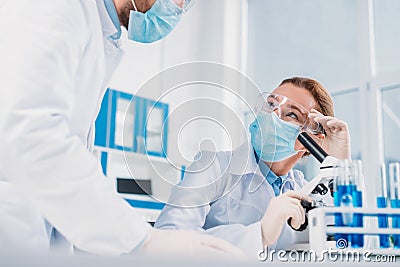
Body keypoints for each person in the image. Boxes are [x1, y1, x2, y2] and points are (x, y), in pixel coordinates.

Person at [0, 0, 245, 257]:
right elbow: (28, 132)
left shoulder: (97, 30)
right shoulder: (59, 7)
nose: (178, 10)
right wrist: (140, 240)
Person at [155, 77, 352, 256]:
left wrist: (340, 167)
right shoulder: (213, 166)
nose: (272, 114)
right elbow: (167, 239)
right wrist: (260, 234)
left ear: (312, 139)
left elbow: (345, 237)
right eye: (271, 104)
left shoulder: (301, 188)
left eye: (291, 114)